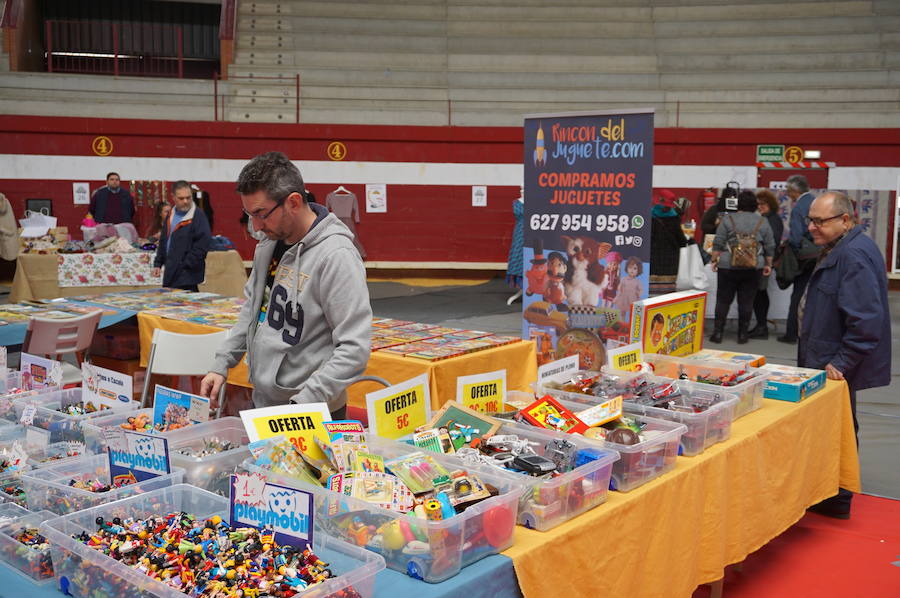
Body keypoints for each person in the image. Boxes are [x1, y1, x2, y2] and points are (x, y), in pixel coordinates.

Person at [200, 152, 371, 418]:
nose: (255, 226)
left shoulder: (336, 256)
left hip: (311, 411)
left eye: (261, 214)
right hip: (265, 402)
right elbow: (253, 311)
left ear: (293, 202)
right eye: (248, 214)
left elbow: (354, 348)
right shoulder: (268, 244)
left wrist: (303, 404)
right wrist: (222, 363)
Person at [799, 191, 890, 519]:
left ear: (845, 220)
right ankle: (829, 493)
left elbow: (866, 322)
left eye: (820, 221)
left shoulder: (851, 256)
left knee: (835, 430)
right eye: (811, 220)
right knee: (832, 428)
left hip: (831, 364)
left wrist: (841, 363)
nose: (812, 227)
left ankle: (835, 497)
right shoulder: (842, 248)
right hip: (825, 357)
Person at [709, 190, 775, 344]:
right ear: (755, 205)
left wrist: (714, 260)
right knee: (746, 301)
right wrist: (768, 264)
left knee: (723, 300)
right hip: (753, 267)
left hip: (727, 266)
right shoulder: (763, 222)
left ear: (738, 204)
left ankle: (718, 333)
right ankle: (743, 335)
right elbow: (770, 245)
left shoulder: (728, 219)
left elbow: (718, 241)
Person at [778, 174, 818, 344]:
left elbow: (795, 238)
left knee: (798, 296)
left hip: (805, 258)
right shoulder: (816, 202)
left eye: (788, 190)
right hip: (819, 254)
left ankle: (792, 333)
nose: (788, 193)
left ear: (795, 190)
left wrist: (792, 248)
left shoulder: (799, 207)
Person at [152, 180, 211, 291]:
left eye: (188, 197)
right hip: (170, 272)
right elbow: (164, 240)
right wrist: (158, 263)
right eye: (181, 198)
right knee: (169, 305)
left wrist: (186, 264)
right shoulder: (171, 214)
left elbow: (202, 245)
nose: (185, 201)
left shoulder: (198, 216)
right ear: (173, 197)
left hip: (188, 275)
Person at [749, 189, 784, 339]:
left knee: (760, 294)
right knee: (759, 293)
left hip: (764, 260)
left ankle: (761, 327)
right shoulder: (770, 218)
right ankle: (761, 326)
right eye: (758, 204)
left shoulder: (771, 220)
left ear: (771, 204)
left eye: (763, 204)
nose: (760, 207)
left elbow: (772, 241)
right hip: (764, 259)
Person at [649, 189, 686, 295]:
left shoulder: (649, 217)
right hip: (670, 263)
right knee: (666, 295)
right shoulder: (674, 218)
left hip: (653, 261)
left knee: (651, 295)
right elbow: (682, 241)